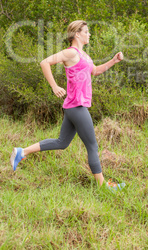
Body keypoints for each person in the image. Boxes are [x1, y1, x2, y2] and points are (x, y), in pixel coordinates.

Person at [10, 20, 125, 192]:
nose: (89, 34)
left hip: (73, 107)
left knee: (62, 142)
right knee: (92, 146)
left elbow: (95, 70)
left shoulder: (84, 55)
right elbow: (45, 62)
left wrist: (113, 61)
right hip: (77, 107)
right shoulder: (70, 53)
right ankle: (103, 187)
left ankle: (22, 152)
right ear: (77, 34)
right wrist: (54, 86)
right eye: (86, 31)